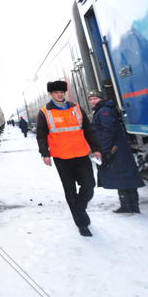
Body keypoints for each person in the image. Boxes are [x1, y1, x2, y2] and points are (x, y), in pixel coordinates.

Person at [36, 80, 102, 237]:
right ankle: (82, 224)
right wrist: (45, 154)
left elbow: (88, 130)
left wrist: (96, 148)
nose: (59, 94)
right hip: (62, 157)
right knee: (70, 190)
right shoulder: (44, 112)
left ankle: (79, 207)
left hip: (81, 154)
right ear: (51, 94)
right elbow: (41, 136)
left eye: (61, 92)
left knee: (89, 186)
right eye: (56, 92)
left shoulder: (76, 108)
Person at [88, 90, 145, 213]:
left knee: (122, 176)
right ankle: (130, 205)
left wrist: (105, 150)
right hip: (118, 147)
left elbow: (108, 131)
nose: (93, 101)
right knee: (124, 176)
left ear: (101, 99)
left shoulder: (104, 111)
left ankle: (128, 206)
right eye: (91, 99)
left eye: (95, 98)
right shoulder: (103, 109)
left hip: (115, 148)